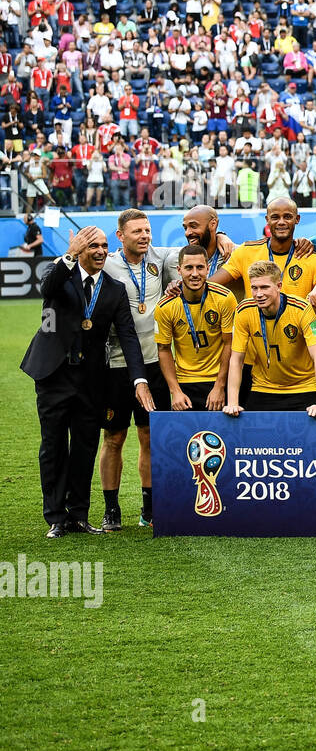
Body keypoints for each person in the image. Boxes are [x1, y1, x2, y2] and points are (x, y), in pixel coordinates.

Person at [21, 225, 153, 538]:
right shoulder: (60, 272)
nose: (99, 252)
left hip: (92, 379)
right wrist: (68, 254)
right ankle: (56, 517)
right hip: (54, 374)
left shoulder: (115, 289)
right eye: (91, 246)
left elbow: (128, 336)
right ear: (79, 249)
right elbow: (47, 288)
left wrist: (138, 378)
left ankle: (78, 515)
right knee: (53, 446)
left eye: (104, 246)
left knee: (85, 446)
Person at [98, 209, 178, 531]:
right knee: (114, 438)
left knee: (149, 437)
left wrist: (225, 237)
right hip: (117, 364)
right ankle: (111, 509)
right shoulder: (106, 263)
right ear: (121, 236)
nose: (144, 236)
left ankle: (149, 507)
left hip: (156, 361)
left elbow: (197, 248)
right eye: (137, 232)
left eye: (147, 230)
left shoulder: (162, 257)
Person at [224, 260, 316, 416]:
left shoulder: (301, 309)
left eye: (264, 287)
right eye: (254, 288)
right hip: (264, 387)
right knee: (251, 437)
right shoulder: (244, 310)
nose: (259, 294)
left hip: (303, 387)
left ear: (279, 286)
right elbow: (236, 359)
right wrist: (232, 403)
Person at [155, 243, 235, 411]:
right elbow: (163, 349)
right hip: (185, 382)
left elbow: (230, 344)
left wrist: (220, 386)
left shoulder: (225, 298)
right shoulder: (165, 306)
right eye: (188, 268)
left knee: (223, 436)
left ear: (207, 269)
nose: (194, 274)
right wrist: (175, 391)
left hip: (219, 378)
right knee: (188, 437)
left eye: (200, 267)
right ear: (179, 270)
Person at [214, 196, 316, 299]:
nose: (281, 222)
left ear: (297, 219)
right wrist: (219, 234)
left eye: (287, 217)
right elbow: (210, 285)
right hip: (256, 321)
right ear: (267, 220)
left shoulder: (310, 257)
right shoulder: (246, 251)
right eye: (275, 217)